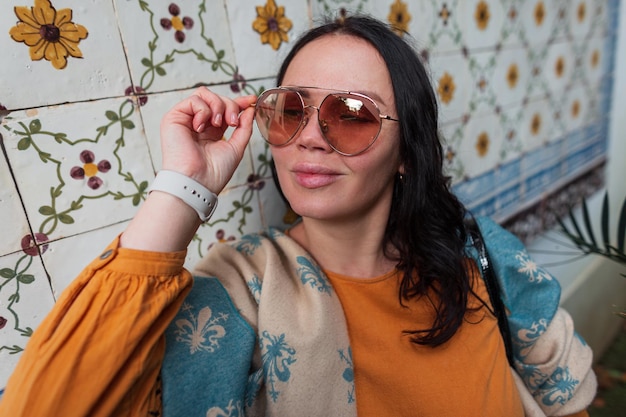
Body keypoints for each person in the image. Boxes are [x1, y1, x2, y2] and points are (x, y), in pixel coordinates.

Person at [0, 15, 595, 417]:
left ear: (409, 152)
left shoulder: (478, 252)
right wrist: (185, 190)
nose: (309, 137)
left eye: (353, 114)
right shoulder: (240, 292)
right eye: (289, 110)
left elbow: (566, 396)